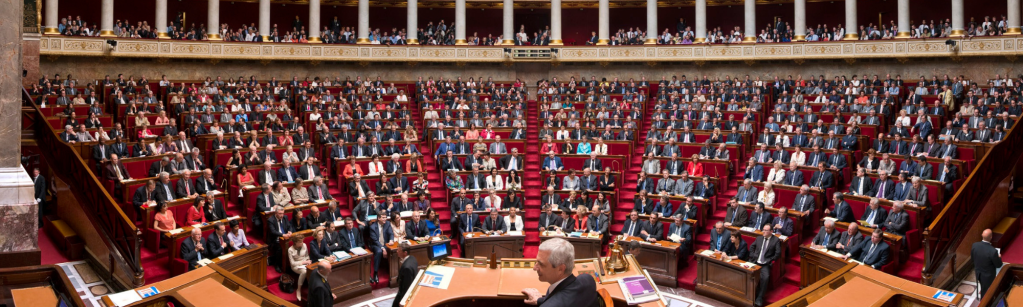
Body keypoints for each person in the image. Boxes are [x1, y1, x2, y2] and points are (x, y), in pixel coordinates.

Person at [520, 238, 600, 307]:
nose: (534, 268)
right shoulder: (588, 279)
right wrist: (540, 300)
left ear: (560, 269)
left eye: (541, 264)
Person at [749, 224, 781, 307]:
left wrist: (770, 260)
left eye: (766, 230)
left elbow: (778, 253)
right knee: (748, 273)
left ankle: (760, 297)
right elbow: (751, 247)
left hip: (765, 264)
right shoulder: (759, 238)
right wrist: (753, 255)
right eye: (763, 229)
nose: (763, 231)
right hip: (755, 262)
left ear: (771, 231)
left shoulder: (775, 240)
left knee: (765, 277)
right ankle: (749, 294)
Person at [972, 229, 1003, 298]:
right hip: (988, 276)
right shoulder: (993, 251)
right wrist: (999, 258)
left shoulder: (975, 245)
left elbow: (973, 258)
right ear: (991, 237)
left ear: (982, 235)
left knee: (983, 287)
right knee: (985, 292)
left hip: (978, 273)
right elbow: (998, 265)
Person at [392, 241, 418, 307]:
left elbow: (406, 286)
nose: (397, 252)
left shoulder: (407, 268)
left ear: (405, 253)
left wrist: (402, 300)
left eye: (399, 251)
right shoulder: (412, 258)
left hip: (403, 292)